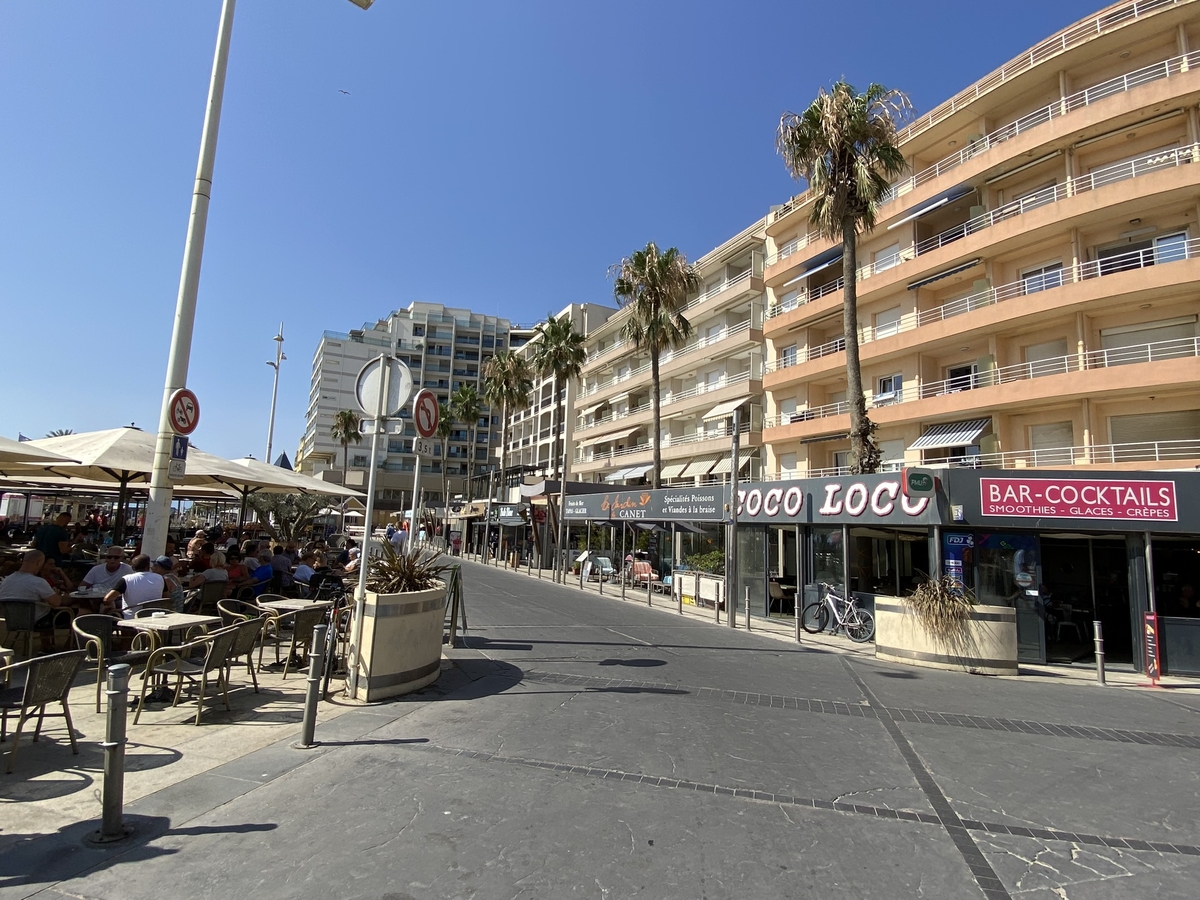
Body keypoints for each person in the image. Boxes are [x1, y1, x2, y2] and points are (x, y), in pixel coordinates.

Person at [0, 549, 68, 651]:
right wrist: (57, 593)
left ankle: (46, 645)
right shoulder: (38, 582)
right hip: (36, 621)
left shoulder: (6, 580)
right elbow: (57, 602)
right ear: (39, 563)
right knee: (69, 613)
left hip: (12, 619)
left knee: (43, 609)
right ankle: (70, 647)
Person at [102, 554, 166, 619]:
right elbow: (166, 598)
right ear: (148, 566)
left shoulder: (126, 579)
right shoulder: (160, 578)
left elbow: (107, 599)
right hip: (154, 618)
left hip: (131, 619)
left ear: (132, 567)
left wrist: (114, 608)